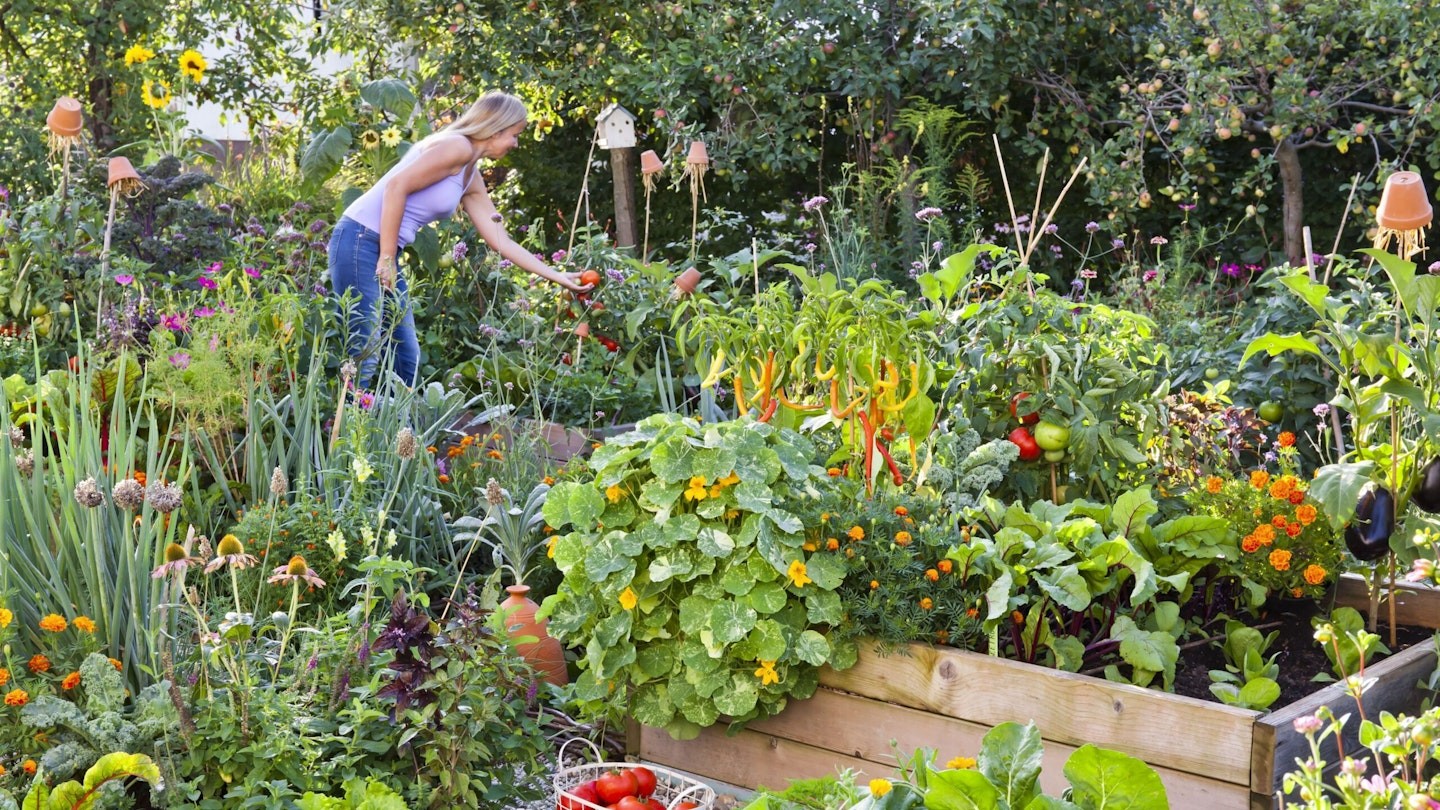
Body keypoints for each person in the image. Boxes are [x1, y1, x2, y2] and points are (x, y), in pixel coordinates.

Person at [328, 90, 592, 388]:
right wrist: (387, 257)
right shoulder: (457, 147)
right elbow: (396, 187)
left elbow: (501, 240)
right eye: (515, 135)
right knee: (365, 350)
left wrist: (557, 276)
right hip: (360, 239)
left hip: (380, 245)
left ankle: (398, 433)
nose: (516, 143)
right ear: (496, 128)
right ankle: (345, 431)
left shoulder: (470, 176)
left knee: (405, 355)